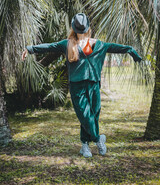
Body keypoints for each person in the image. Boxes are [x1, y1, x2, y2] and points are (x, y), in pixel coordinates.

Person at [22, 13, 142, 158]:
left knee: (93, 114)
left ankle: (85, 145)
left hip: (94, 85)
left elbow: (119, 48)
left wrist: (132, 52)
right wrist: (30, 49)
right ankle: (98, 139)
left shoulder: (99, 44)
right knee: (84, 115)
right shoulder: (68, 44)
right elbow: (50, 46)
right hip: (77, 86)